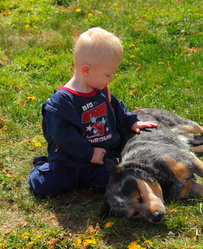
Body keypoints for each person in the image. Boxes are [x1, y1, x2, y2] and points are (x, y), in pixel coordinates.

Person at [28, 27, 157, 197]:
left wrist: (131, 121)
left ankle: (91, 177)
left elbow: (117, 107)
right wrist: (89, 153)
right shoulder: (61, 104)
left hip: (99, 160)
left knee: (113, 183)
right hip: (68, 162)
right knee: (45, 187)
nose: (111, 79)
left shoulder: (100, 90)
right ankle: (42, 167)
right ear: (86, 70)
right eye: (108, 74)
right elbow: (64, 137)